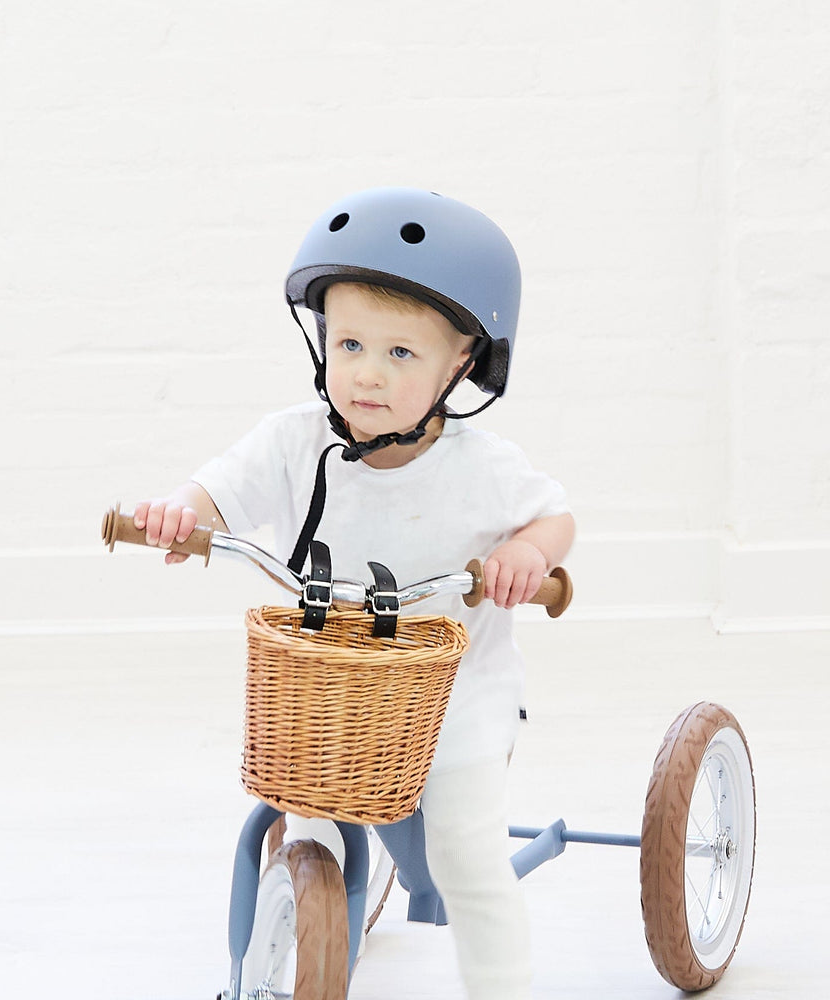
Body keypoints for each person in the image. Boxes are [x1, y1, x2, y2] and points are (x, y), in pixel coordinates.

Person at [132, 187, 575, 999]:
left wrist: (525, 552)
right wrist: (180, 516)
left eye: (401, 355)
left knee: (466, 853)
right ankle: (302, 936)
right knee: (308, 818)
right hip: (332, 690)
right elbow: (221, 489)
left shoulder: (481, 469)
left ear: (461, 366)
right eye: (350, 344)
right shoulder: (295, 441)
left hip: (457, 694)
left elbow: (555, 518)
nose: (366, 375)